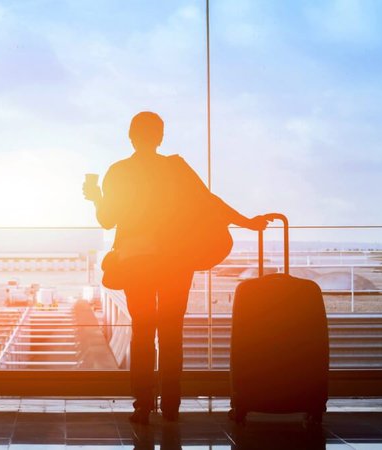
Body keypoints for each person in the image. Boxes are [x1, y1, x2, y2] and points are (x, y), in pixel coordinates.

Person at [83, 111, 267, 424]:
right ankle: (171, 405)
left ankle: (142, 406)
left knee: (142, 333)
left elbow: (107, 220)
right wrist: (247, 222)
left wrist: (96, 196)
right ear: (160, 137)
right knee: (171, 334)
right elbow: (210, 201)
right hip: (175, 262)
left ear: (131, 135)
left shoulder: (119, 171)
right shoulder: (175, 168)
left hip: (137, 261)